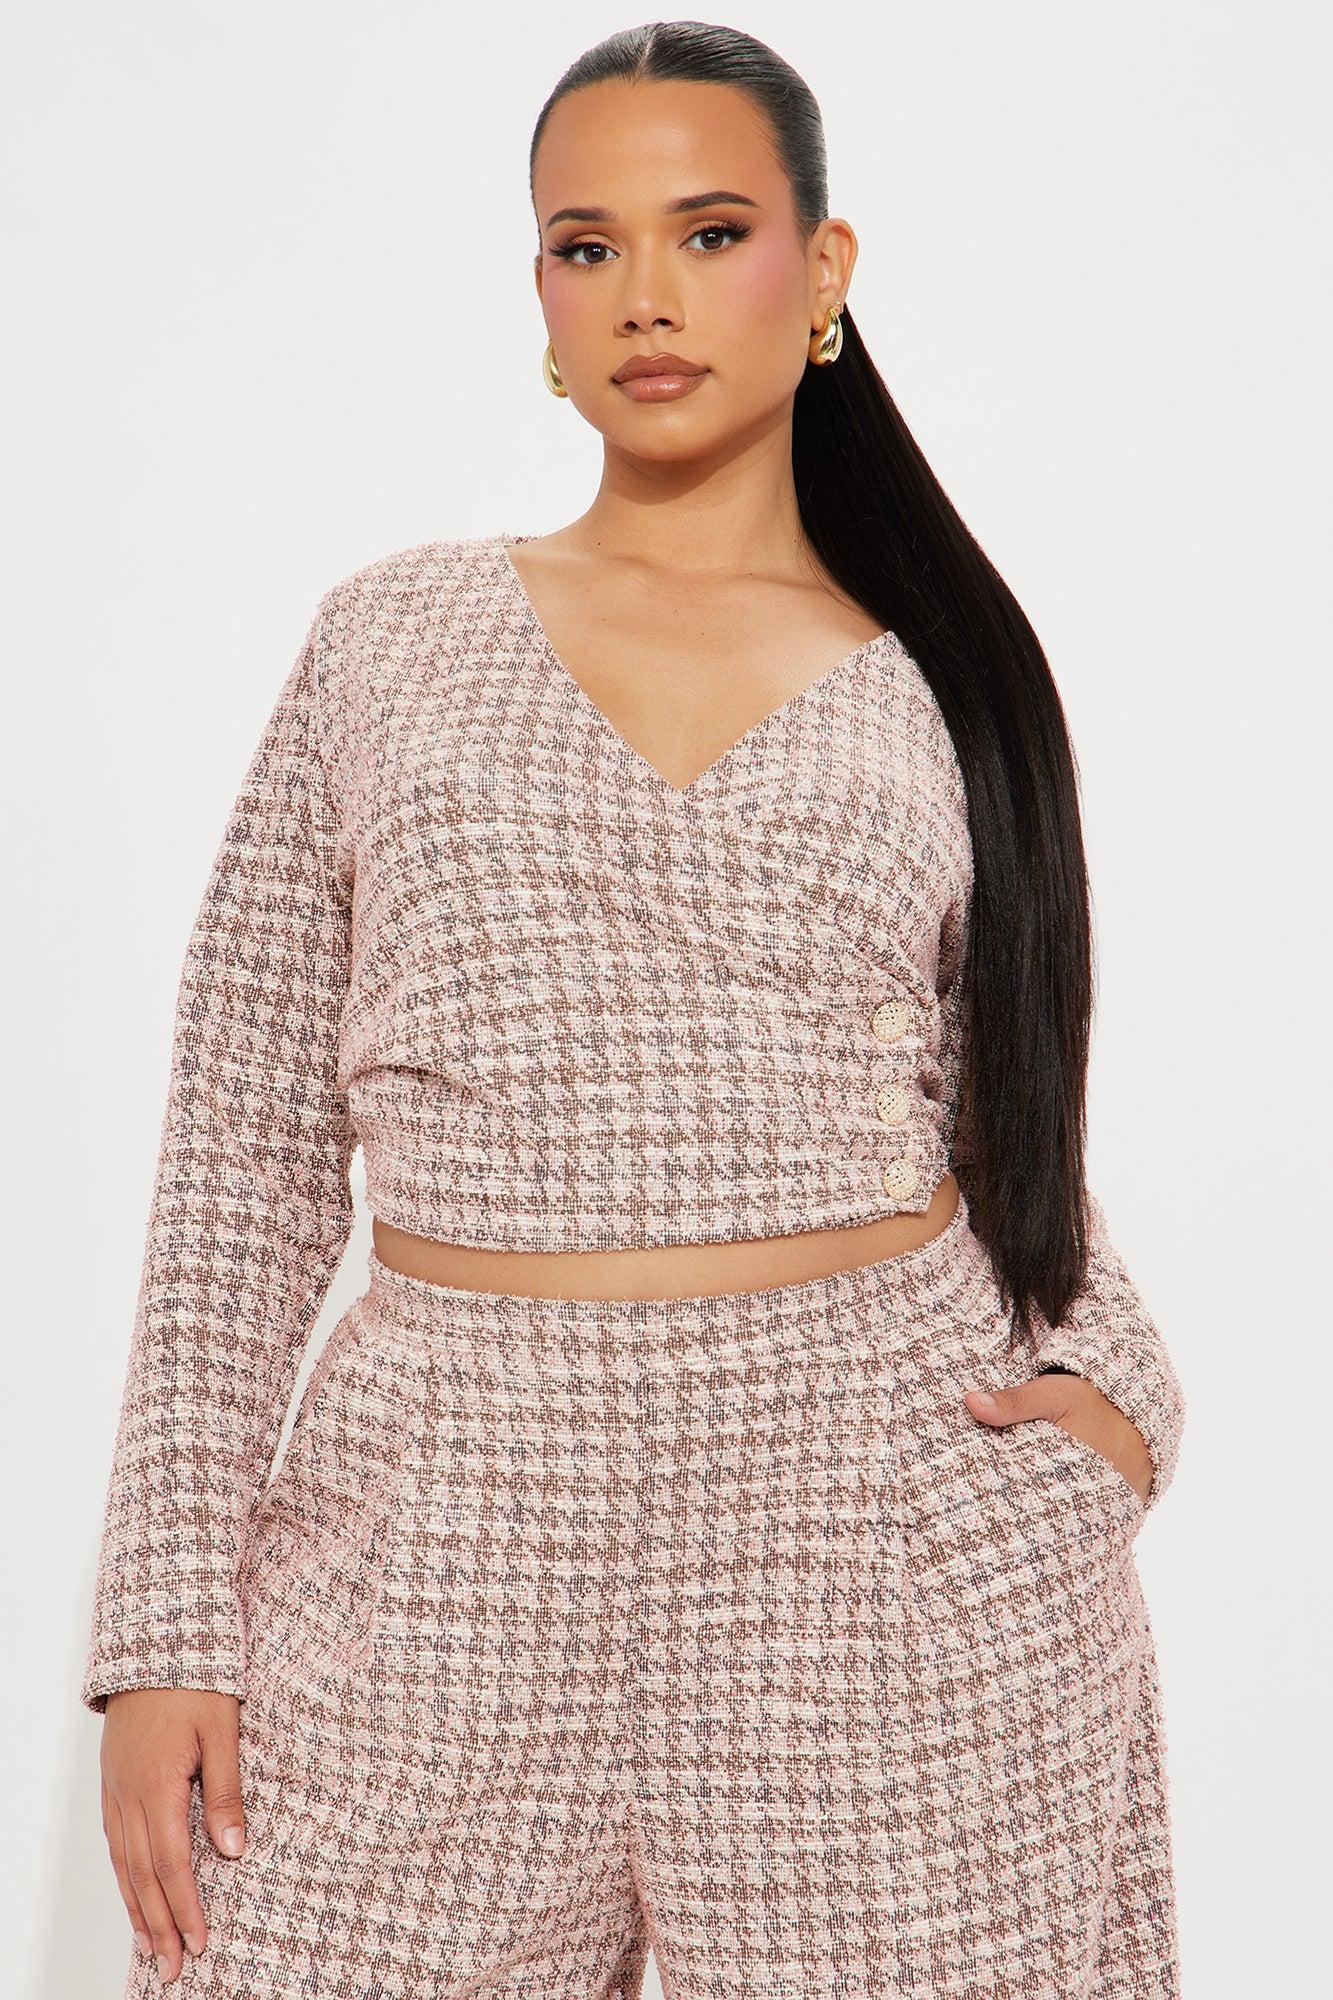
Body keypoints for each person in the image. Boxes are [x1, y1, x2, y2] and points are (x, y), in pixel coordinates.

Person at [82, 21, 1187, 1999]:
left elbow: (997, 1105)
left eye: (710, 231)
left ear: (823, 269)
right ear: (539, 290)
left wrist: (1108, 1396)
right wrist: (163, 1622)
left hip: (871, 1526)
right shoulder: (391, 637)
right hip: (439, 1525)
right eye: (586, 246)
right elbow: (243, 1149)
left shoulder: (941, 677)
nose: (646, 296)